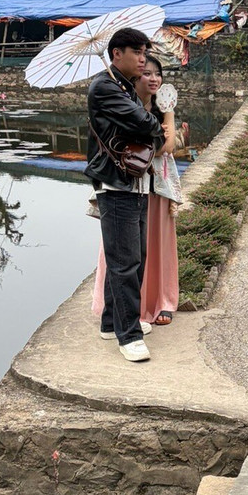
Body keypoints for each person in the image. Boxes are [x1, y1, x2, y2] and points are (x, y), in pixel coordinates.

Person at [85, 28, 165, 363]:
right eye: (137, 52)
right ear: (117, 53)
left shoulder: (124, 87)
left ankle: (111, 322)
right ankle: (128, 335)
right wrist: (150, 124)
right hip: (116, 184)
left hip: (134, 182)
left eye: (145, 52)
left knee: (133, 257)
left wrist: (150, 124)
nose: (143, 59)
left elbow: (150, 127)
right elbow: (147, 124)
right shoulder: (105, 87)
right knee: (124, 261)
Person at [92, 55, 186, 328]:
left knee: (156, 243)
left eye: (158, 73)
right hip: (127, 184)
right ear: (134, 77)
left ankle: (161, 300)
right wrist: (158, 138)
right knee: (125, 249)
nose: (154, 79)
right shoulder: (122, 106)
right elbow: (157, 145)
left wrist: (168, 111)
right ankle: (127, 310)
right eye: (147, 73)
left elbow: (167, 147)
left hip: (157, 186)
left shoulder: (160, 108)